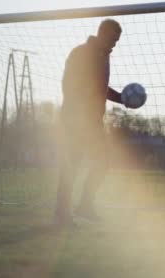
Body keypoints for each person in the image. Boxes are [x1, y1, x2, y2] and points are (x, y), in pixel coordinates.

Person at [54, 19, 124, 226]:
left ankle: (84, 205)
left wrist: (122, 98)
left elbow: (100, 86)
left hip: (93, 121)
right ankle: (61, 213)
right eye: (112, 39)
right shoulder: (81, 53)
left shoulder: (103, 57)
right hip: (75, 119)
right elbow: (67, 83)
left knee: (102, 162)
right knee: (72, 166)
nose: (114, 44)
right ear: (102, 34)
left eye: (117, 41)